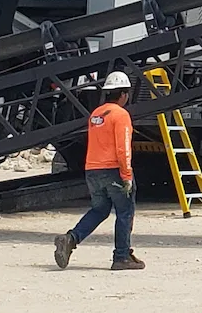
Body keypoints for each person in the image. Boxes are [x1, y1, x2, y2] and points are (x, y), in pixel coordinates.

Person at [55, 71, 144, 270]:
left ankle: (71, 238)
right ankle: (121, 257)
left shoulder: (96, 114)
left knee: (100, 210)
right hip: (113, 170)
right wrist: (127, 175)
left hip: (93, 170)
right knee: (125, 211)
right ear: (123, 94)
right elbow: (123, 148)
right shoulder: (121, 115)